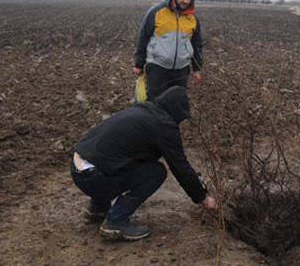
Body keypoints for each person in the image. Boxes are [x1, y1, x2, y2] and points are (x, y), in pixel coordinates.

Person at [71, 86, 217, 241]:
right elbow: (180, 166)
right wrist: (202, 197)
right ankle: (115, 221)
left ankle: (98, 210)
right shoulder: (163, 126)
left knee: (118, 157)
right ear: (177, 112)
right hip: (94, 178)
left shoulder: (143, 110)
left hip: (77, 168)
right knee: (156, 172)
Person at [133, 0, 203, 101]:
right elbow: (143, 37)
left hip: (181, 69)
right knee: (155, 102)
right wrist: (139, 63)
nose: (185, 1)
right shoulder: (157, 12)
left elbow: (197, 44)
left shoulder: (192, 19)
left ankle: (170, 121)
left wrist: (197, 69)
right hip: (157, 67)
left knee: (175, 102)